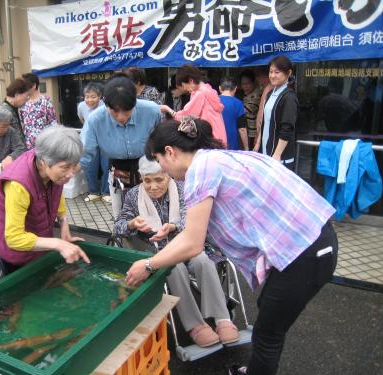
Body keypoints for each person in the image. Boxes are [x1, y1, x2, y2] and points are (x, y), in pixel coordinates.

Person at [125, 118, 338, 375]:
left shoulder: (199, 172)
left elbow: (192, 243)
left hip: (303, 253)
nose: (163, 170)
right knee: (269, 320)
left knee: (267, 334)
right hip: (315, 241)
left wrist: (148, 264)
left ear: (170, 152)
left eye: (160, 161)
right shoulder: (220, 158)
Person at [114, 156, 238, 347]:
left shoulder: (182, 188)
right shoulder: (133, 195)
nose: (153, 186)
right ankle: (195, 325)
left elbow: (191, 218)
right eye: (147, 180)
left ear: (168, 175)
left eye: (158, 179)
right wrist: (132, 223)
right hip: (156, 251)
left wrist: (173, 226)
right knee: (174, 266)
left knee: (203, 260)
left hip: (187, 243)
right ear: (140, 177)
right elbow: (118, 227)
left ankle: (223, 319)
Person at [0, 126, 89, 275]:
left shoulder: (52, 170)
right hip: (13, 250)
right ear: (43, 162)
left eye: (74, 166)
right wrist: (57, 243)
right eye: (65, 167)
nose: (71, 174)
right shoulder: (18, 184)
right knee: (21, 291)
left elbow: (57, 191)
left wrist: (63, 222)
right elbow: (14, 238)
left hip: (38, 237)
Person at [80, 76, 161, 218]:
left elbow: (163, 139)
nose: (121, 117)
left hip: (150, 167)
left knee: (153, 213)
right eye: (115, 111)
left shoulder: (152, 111)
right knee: (122, 215)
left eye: (127, 111)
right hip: (117, 168)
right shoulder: (95, 119)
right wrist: (68, 169)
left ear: (135, 101)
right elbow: (86, 151)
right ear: (105, 103)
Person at [159, 64, 227, 146]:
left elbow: (186, 116)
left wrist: (168, 109)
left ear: (191, 81)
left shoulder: (199, 94)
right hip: (219, 137)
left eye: (184, 85)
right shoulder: (209, 90)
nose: (185, 89)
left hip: (209, 140)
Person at [257, 56, 299, 170]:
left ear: (289, 73)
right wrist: (258, 144)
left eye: (277, 72)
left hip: (280, 157)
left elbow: (287, 128)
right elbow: (265, 123)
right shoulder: (270, 94)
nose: (272, 75)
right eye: (270, 72)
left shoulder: (289, 97)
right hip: (267, 153)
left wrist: (277, 154)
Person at [77, 82, 109, 202]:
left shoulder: (105, 106)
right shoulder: (81, 106)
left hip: (105, 139)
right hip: (88, 140)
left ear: (100, 96)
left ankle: (106, 192)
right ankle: (94, 191)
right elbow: (82, 119)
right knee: (89, 166)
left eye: (93, 96)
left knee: (106, 166)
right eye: (87, 96)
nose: (90, 100)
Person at [19, 73, 58, 149]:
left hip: (44, 144)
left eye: (25, 86)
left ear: (33, 85)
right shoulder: (23, 103)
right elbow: (23, 124)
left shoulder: (46, 101)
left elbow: (53, 122)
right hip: (28, 146)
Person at [219, 77, 248, 151]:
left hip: (215, 143)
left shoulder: (213, 101)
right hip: (232, 145)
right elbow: (242, 129)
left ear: (220, 88)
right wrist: (246, 148)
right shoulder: (238, 103)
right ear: (235, 89)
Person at [239, 70, 260, 149]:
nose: (245, 86)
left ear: (253, 83)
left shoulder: (256, 95)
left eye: (248, 83)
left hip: (252, 133)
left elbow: (246, 110)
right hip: (248, 131)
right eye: (243, 84)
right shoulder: (248, 94)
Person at [253, 67, 273, 152]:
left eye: (259, 76)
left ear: (267, 76)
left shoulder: (269, 89)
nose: (257, 79)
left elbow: (262, 115)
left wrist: (258, 137)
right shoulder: (268, 88)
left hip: (265, 132)